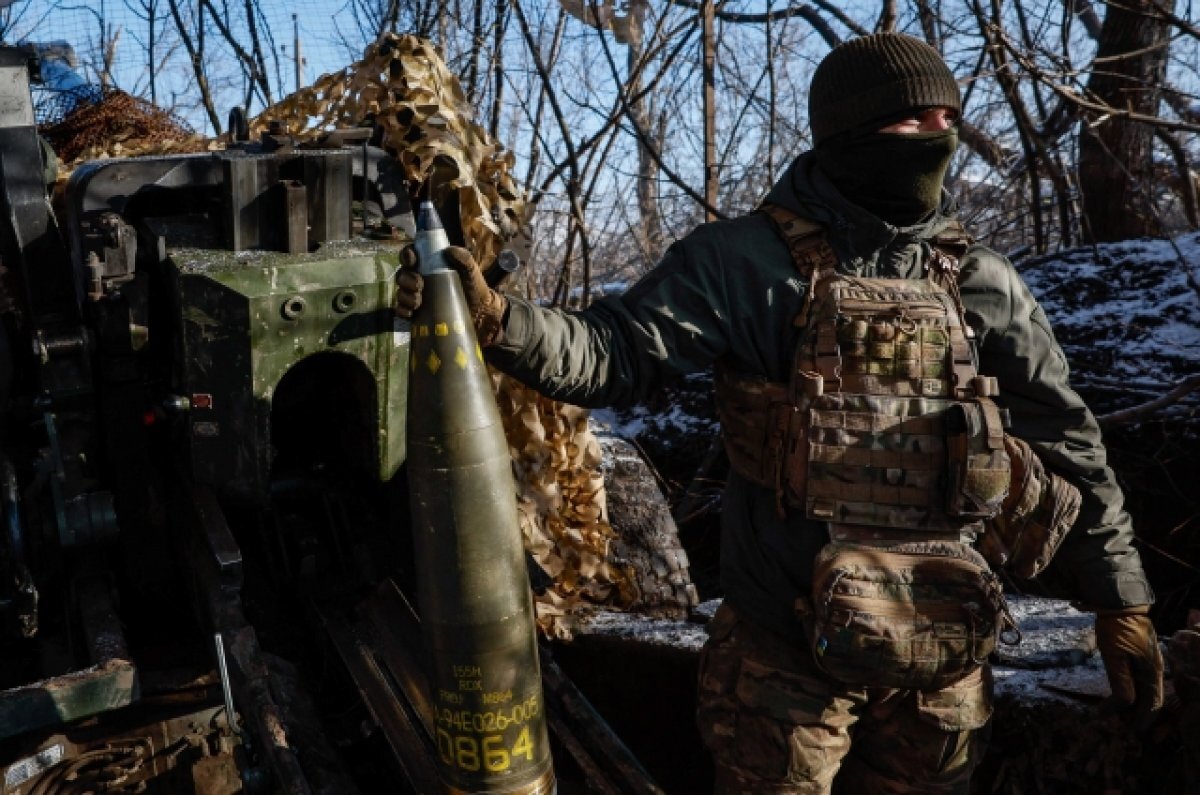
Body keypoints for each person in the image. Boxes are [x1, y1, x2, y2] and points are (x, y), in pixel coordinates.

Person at [395, 32, 1163, 794]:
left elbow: (1067, 440)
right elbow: (613, 351)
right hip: (785, 659)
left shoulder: (983, 281)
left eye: (947, 119)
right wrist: (500, 320)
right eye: (916, 120)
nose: (941, 136)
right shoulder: (743, 263)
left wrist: (1120, 597)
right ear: (852, 132)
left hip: (942, 655)